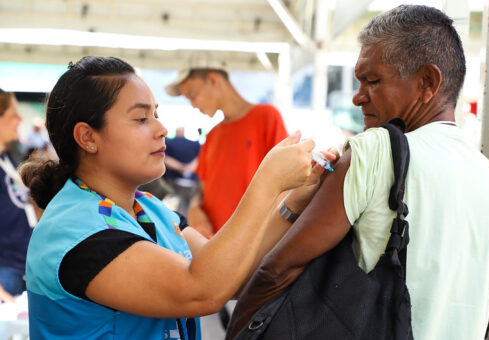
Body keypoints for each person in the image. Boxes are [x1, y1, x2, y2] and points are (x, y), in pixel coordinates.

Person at [228, 5, 489, 340]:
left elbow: (276, 270)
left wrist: (240, 331)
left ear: (428, 82)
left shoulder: (375, 151)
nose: (357, 97)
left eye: (372, 81)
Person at [20, 56, 333, 339]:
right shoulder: (75, 230)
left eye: (156, 114)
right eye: (141, 119)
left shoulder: (147, 208)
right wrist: (268, 183)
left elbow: (234, 278)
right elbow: (202, 291)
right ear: (88, 137)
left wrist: (293, 203)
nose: (161, 129)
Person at [166, 56, 288, 238]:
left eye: (192, 95)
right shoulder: (212, 134)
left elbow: (286, 183)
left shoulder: (267, 117)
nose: (192, 105)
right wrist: (194, 208)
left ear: (214, 80)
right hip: (214, 243)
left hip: (253, 244)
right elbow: (202, 188)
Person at [0, 89, 35, 303]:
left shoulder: (7, 159)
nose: (20, 119)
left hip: (25, 267)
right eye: (13, 114)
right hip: (6, 274)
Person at [163, 127, 200, 215]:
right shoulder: (194, 144)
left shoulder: (168, 144)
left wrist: (180, 167)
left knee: (171, 206)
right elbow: (199, 159)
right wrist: (188, 169)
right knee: (187, 207)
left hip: (172, 180)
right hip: (192, 181)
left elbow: (165, 159)